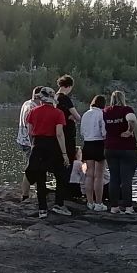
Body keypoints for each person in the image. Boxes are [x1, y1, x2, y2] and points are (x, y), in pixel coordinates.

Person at [24, 88, 71, 218]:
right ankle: (59, 204)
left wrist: (33, 144)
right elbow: (59, 134)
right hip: (53, 145)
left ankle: (42, 209)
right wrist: (64, 154)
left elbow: (29, 131)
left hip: (37, 145)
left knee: (40, 178)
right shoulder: (58, 113)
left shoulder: (32, 112)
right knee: (60, 175)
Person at [103, 90, 137, 214]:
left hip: (110, 148)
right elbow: (132, 119)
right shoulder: (126, 109)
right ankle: (128, 207)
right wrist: (129, 131)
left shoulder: (106, 111)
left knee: (114, 178)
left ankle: (114, 207)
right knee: (126, 179)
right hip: (127, 148)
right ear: (123, 99)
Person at [80, 94, 108, 211]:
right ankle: (99, 203)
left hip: (87, 144)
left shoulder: (85, 114)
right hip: (99, 144)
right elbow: (104, 131)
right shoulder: (102, 114)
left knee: (89, 174)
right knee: (99, 176)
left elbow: (82, 131)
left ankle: (89, 201)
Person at [15, 86, 41, 199]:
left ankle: (30, 191)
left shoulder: (27, 103)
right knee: (31, 167)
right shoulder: (32, 107)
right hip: (28, 141)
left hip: (23, 139)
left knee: (32, 166)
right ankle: (26, 194)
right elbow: (30, 127)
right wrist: (33, 143)